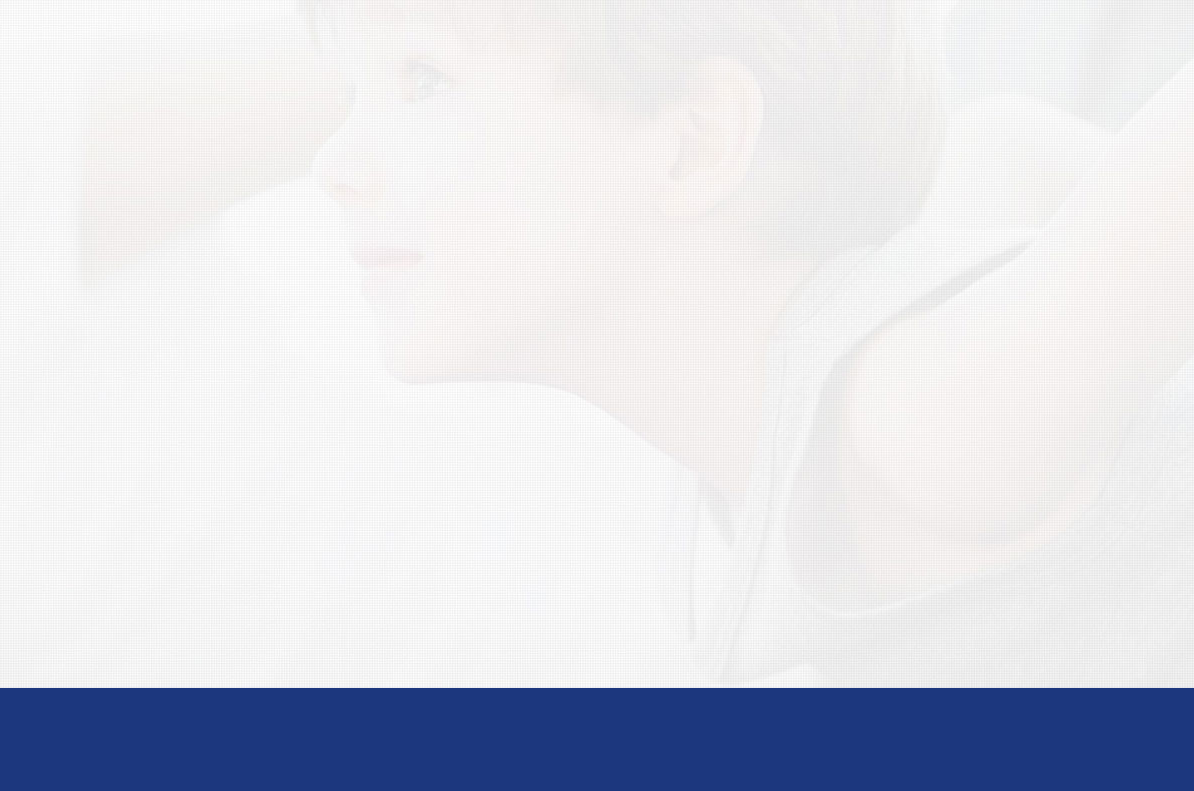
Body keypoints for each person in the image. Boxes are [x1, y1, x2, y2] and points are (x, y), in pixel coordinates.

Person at [308, 0, 1194, 684]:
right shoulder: (706, 536)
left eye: (423, 80)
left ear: (694, 143)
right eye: (353, 91)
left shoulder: (925, 426)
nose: (333, 166)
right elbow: (1003, 149)